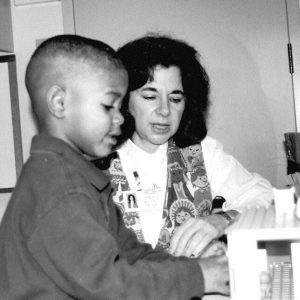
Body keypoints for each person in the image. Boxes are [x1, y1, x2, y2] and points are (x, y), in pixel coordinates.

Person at [0, 34, 229, 299]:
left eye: (121, 106)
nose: (121, 117)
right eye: (109, 106)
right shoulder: (59, 188)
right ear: (59, 103)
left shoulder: (84, 178)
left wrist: (196, 266)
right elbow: (109, 286)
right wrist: (199, 276)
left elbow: (131, 255)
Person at [93, 33, 274, 258]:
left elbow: (265, 196)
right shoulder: (96, 158)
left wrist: (221, 220)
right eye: (150, 97)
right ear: (124, 101)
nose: (164, 110)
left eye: (175, 99)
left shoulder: (201, 153)